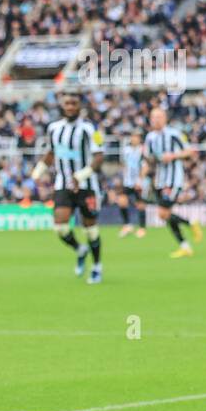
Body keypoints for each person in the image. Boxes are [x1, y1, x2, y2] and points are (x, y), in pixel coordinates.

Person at [31, 91, 105, 284]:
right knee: (61, 227)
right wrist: (39, 170)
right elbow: (51, 153)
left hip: (86, 186)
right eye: (67, 104)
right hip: (63, 184)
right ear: (62, 106)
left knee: (90, 230)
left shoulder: (91, 129)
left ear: (80, 106)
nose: (70, 107)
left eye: (74, 103)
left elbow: (99, 156)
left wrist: (82, 175)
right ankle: (80, 250)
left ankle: (97, 266)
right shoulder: (54, 128)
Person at [143, 107, 203, 258]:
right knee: (165, 215)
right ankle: (186, 243)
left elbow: (190, 151)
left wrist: (173, 155)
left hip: (173, 180)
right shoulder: (150, 137)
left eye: (158, 117)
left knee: (163, 213)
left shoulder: (174, 134)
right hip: (159, 180)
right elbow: (148, 158)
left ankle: (189, 230)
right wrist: (144, 170)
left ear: (165, 119)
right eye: (153, 117)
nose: (155, 120)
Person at [115, 132, 147, 238]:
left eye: (136, 137)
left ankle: (142, 228)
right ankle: (127, 225)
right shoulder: (126, 150)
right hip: (127, 181)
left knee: (140, 204)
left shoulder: (143, 150)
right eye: (133, 137)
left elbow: (145, 166)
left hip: (138, 182)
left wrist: (140, 180)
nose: (134, 139)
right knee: (122, 201)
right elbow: (124, 164)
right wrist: (121, 178)